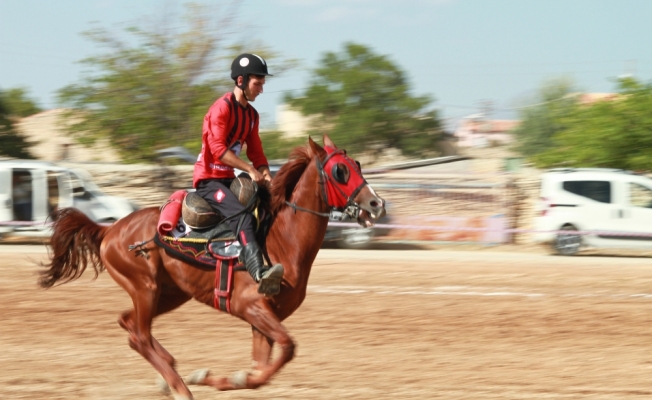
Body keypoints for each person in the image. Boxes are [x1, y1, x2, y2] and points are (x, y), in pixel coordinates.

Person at [192, 53, 284, 296]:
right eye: (258, 83)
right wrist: (251, 170)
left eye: (263, 84)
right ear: (241, 80)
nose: (262, 89)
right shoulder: (220, 109)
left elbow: (257, 154)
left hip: (227, 179)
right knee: (242, 215)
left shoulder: (252, 116)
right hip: (208, 180)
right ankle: (259, 273)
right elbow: (219, 151)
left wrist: (266, 175)